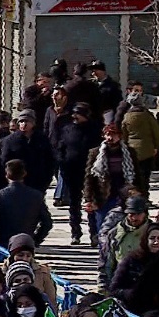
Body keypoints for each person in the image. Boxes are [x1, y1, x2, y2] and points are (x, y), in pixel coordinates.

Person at [0, 160, 52, 246]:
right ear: (24, 173)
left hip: (4, 243)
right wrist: (35, 240)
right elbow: (47, 222)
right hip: (26, 242)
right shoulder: (36, 195)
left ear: (7, 175)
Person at [56, 102, 98, 244]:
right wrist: (62, 162)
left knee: (90, 203)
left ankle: (94, 233)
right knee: (74, 204)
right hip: (71, 171)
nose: (75, 117)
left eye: (78, 114)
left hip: (90, 173)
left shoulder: (94, 130)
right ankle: (76, 233)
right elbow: (60, 147)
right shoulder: (68, 129)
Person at [99, 196, 151, 294]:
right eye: (131, 214)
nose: (134, 218)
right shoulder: (115, 233)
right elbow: (107, 262)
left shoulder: (153, 233)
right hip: (121, 285)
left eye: (138, 214)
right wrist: (103, 286)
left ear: (145, 214)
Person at [110, 224, 159, 313]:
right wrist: (130, 294)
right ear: (145, 240)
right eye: (152, 238)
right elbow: (114, 289)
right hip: (134, 310)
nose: (156, 242)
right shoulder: (132, 260)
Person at [119, 81, 159, 194]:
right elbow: (156, 131)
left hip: (132, 149)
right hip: (147, 148)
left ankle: (135, 195)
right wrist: (156, 146)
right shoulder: (147, 115)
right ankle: (144, 196)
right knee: (145, 175)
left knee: (134, 175)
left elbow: (124, 133)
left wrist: (125, 146)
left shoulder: (126, 116)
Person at [0, 109, 55, 194]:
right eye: (21, 121)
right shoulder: (10, 141)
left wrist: (47, 179)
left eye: (27, 121)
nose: (24, 124)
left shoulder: (42, 139)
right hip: (17, 182)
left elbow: (49, 160)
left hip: (38, 183)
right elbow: (4, 161)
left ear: (33, 123)